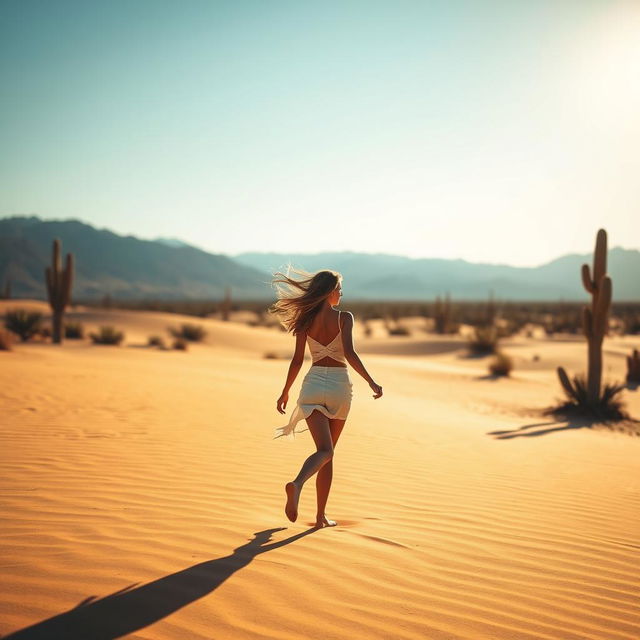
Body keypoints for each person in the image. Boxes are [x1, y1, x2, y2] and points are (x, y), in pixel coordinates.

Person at [269, 266, 383, 528]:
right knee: (327, 451)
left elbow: (297, 360)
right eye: (339, 289)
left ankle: (320, 517)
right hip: (339, 388)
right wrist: (371, 381)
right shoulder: (344, 318)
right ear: (330, 292)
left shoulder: (305, 320)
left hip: (312, 385)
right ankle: (297, 484)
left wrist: (285, 391)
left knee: (326, 452)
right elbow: (350, 354)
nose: (341, 294)